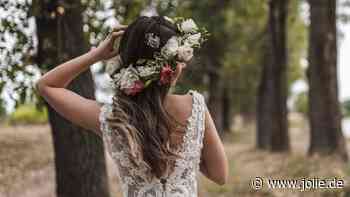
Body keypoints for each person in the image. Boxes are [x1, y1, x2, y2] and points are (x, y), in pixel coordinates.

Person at [36, 15, 228, 197]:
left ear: (125, 63)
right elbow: (220, 175)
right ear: (174, 66)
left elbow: (46, 85)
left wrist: (95, 55)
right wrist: (189, 156)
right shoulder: (195, 107)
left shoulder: (113, 117)